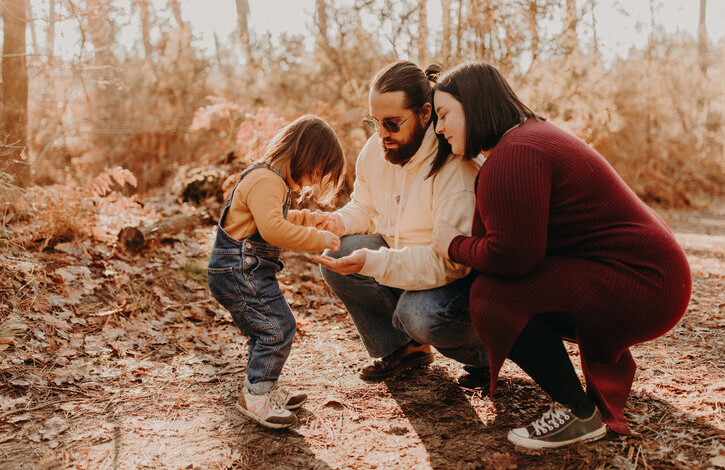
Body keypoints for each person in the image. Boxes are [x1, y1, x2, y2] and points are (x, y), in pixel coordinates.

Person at [431, 62, 692, 449]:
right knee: (502, 288)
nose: (439, 128)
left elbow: (513, 256)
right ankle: (581, 400)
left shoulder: (515, 152)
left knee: (493, 296)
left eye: (444, 114)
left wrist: (451, 244)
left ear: (476, 105)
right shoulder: (529, 137)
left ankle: (577, 414)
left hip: (644, 283)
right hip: (650, 276)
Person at [313, 61, 489, 385]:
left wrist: (373, 261)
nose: (381, 134)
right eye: (374, 122)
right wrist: (336, 222)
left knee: (418, 314)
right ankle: (406, 350)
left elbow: (451, 264)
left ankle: (484, 354)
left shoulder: (454, 165)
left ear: (424, 113)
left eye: (392, 123)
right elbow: (364, 206)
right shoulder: (376, 148)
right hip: (402, 261)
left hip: (454, 280)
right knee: (336, 252)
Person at [206, 114, 345, 429]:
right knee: (278, 328)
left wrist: (311, 220)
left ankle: (264, 387)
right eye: (317, 171)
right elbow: (272, 229)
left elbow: (276, 218)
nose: (311, 181)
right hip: (238, 271)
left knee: (265, 329)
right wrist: (318, 239)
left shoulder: (268, 180)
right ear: (305, 155)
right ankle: (256, 395)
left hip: (242, 271)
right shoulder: (267, 181)